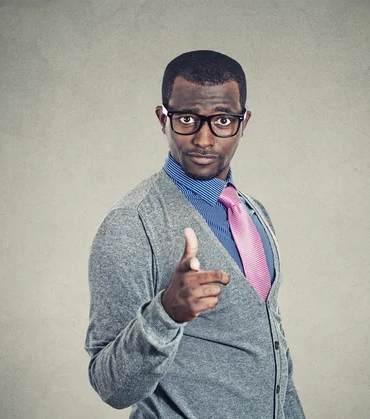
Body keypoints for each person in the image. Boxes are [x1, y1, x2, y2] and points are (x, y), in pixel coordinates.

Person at [85, 50, 306, 419]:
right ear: (163, 118)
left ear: (243, 121)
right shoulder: (132, 223)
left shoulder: (252, 212)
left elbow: (272, 351)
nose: (204, 139)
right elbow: (111, 385)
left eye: (222, 120)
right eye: (187, 119)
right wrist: (166, 314)